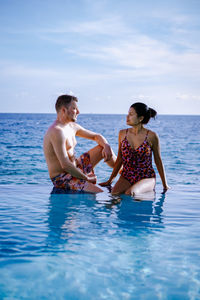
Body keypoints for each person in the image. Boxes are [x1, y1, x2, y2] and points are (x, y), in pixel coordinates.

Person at [43, 94, 116, 193]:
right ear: (64, 110)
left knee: (102, 147)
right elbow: (65, 165)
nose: (78, 112)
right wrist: (87, 178)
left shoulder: (72, 126)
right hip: (62, 177)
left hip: (76, 166)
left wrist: (107, 146)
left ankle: (125, 172)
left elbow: (96, 136)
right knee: (99, 192)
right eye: (74, 108)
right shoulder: (57, 131)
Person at [100, 102, 169, 195]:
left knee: (131, 193)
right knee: (114, 193)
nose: (127, 117)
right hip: (127, 176)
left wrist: (165, 185)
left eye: (131, 114)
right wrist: (110, 180)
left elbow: (158, 161)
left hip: (146, 177)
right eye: (128, 113)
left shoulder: (152, 136)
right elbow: (120, 159)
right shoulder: (122, 134)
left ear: (141, 118)